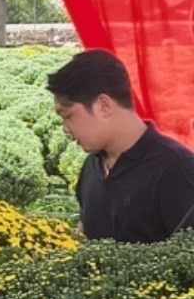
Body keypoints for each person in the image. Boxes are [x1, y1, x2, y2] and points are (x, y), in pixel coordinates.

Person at [48, 48, 194, 242]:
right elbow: (85, 233)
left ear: (104, 106)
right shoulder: (92, 166)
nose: (65, 129)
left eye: (68, 116)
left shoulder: (176, 168)